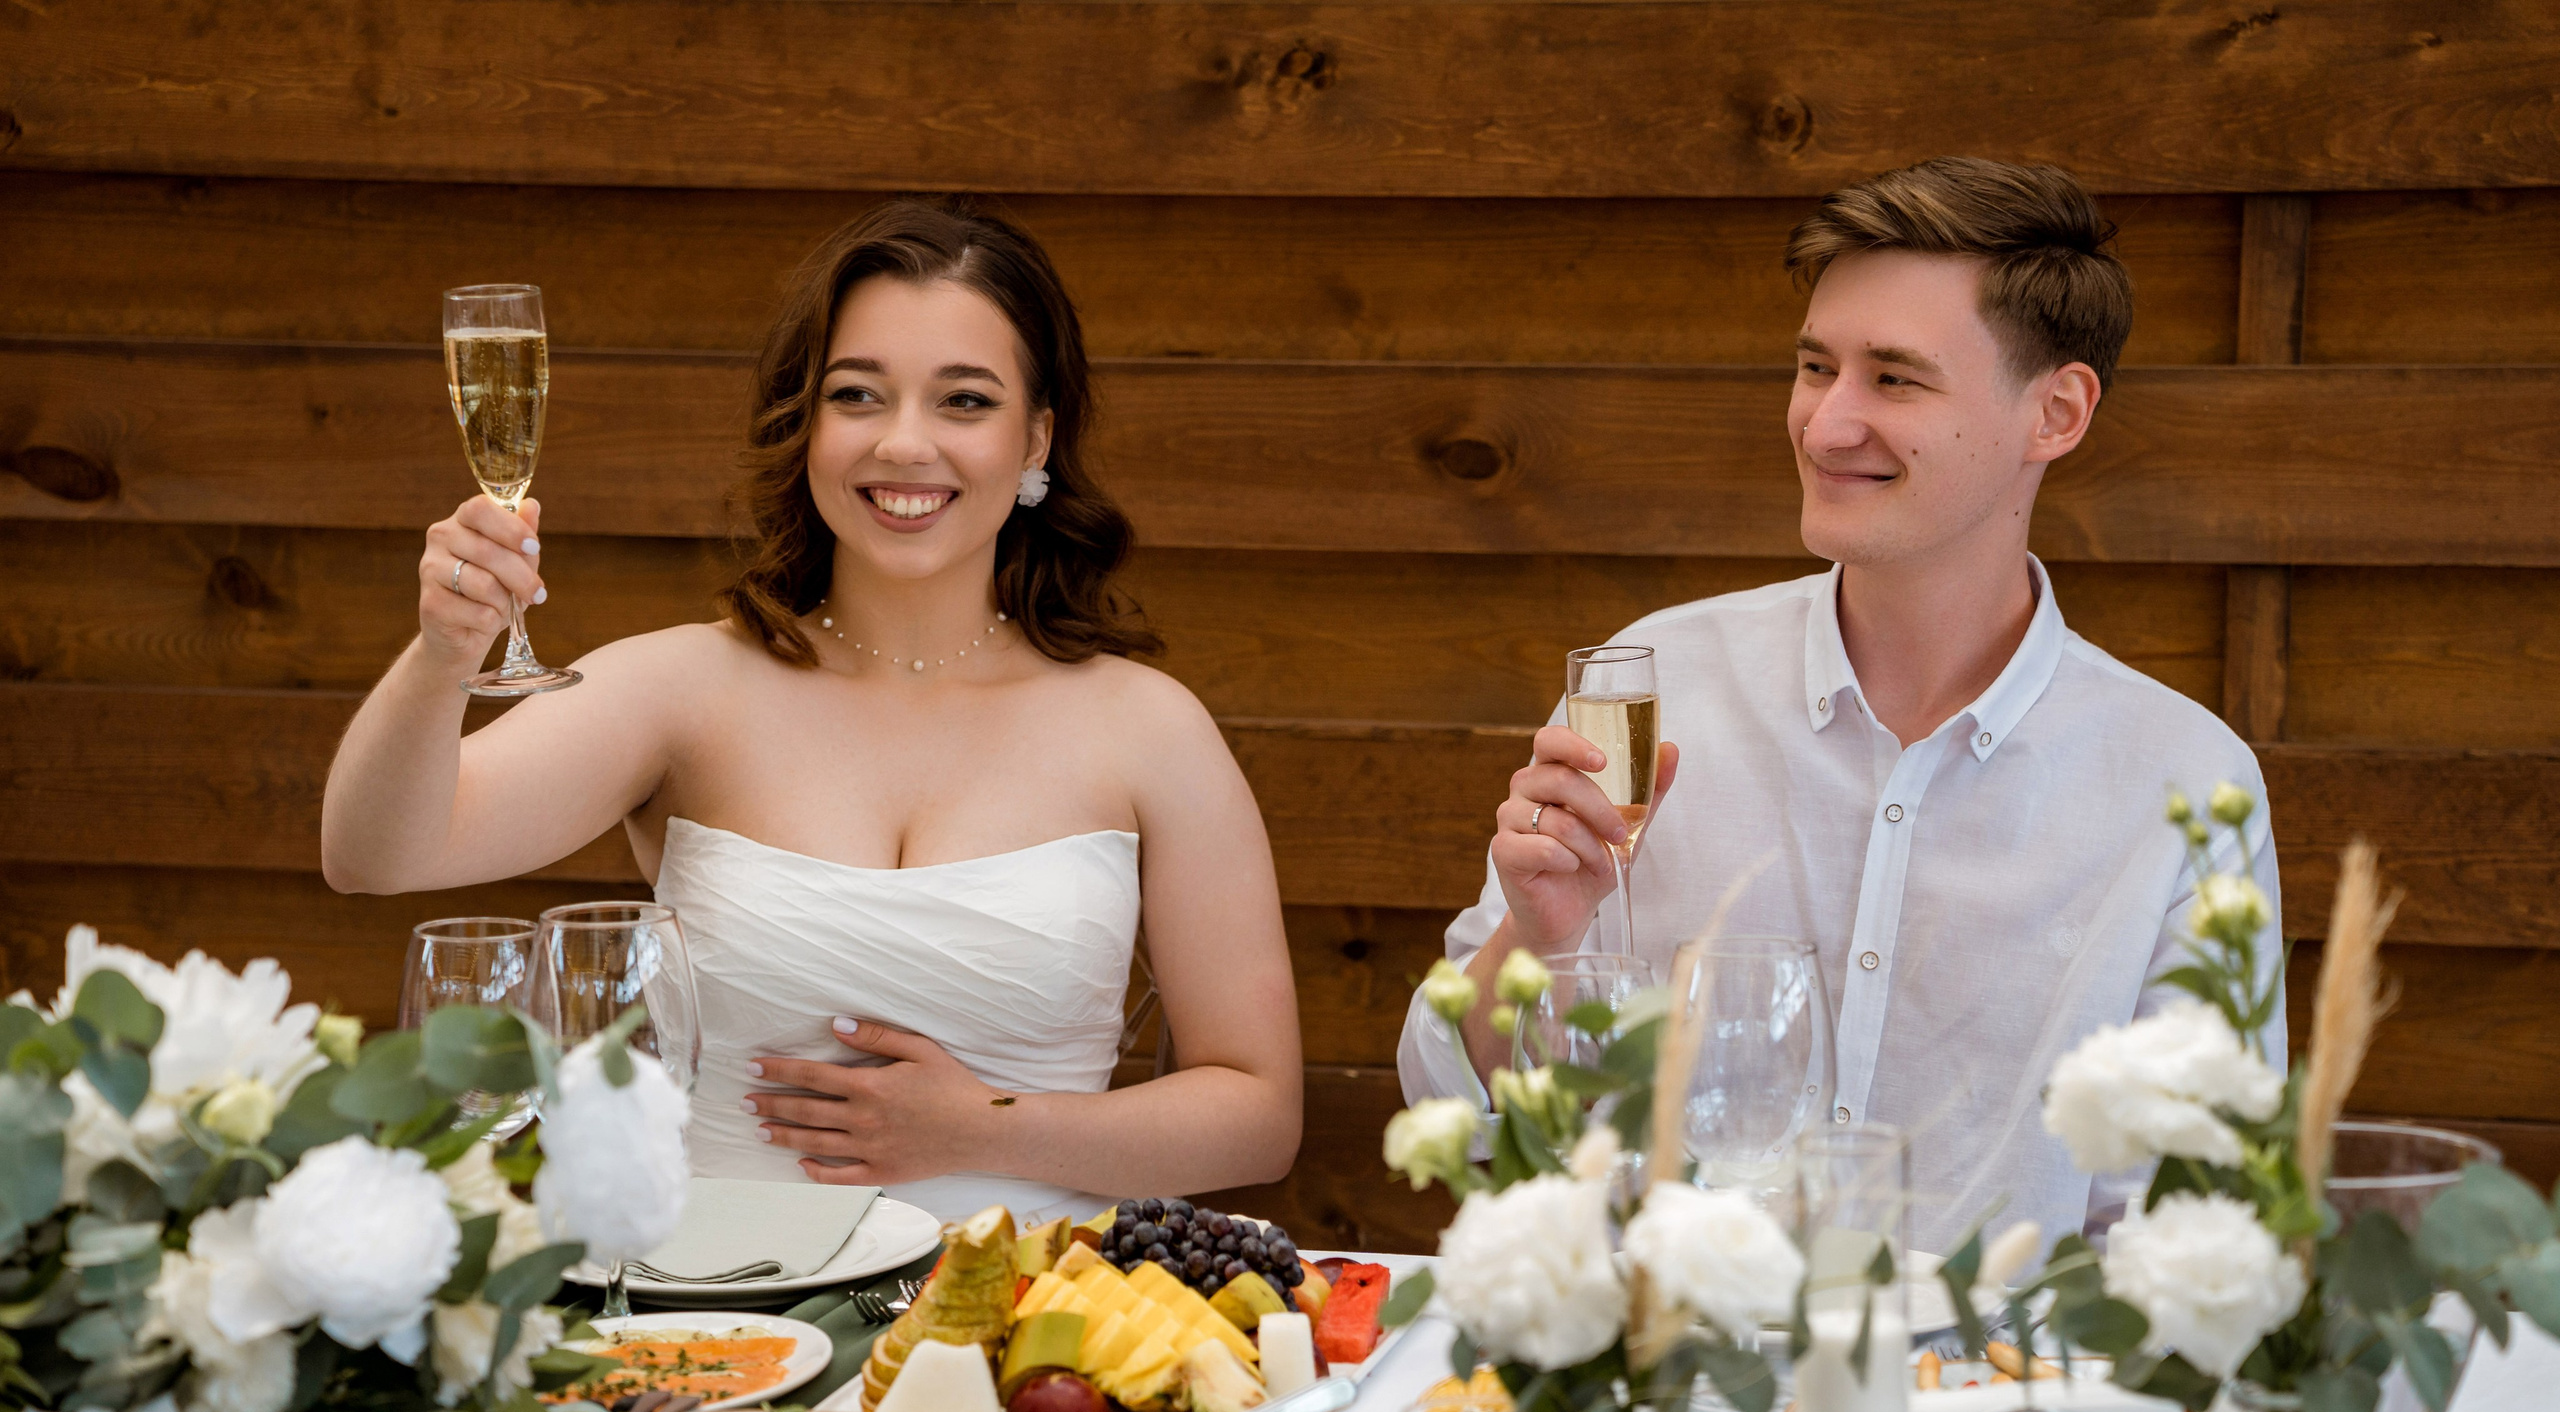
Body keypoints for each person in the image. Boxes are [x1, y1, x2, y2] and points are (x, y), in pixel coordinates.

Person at [324, 199, 1301, 1228]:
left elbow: (1260, 1116)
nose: (905, 443)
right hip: (721, 1308)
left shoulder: (1148, 729)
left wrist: (988, 1128)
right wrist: (443, 655)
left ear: (1035, 440)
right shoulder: (683, 690)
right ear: (808, 426)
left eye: (964, 401)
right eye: (857, 395)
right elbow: (374, 854)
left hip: (1030, 1315)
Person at [1398, 158, 2283, 1253]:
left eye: (1894, 380)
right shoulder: (1656, 681)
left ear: (2055, 413)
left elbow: (2196, 1225)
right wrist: (1535, 937)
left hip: (1999, 1364)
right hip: (1665, 1350)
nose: (1823, 427)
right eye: (1816, 367)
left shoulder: (2182, 781)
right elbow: (1449, 1104)